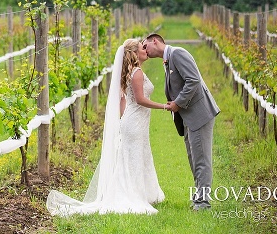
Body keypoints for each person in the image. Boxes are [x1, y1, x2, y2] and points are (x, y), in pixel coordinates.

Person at [46, 39, 166, 216]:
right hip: (135, 123)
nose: (146, 50)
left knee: (134, 158)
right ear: (134, 53)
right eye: (142, 48)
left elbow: (124, 100)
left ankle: (141, 192)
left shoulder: (132, 72)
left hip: (134, 122)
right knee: (132, 158)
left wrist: (123, 121)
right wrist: (164, 106)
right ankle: (132, 195)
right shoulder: (137, 73)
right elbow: (140, 100)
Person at [143, 33, 220, 211]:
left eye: (145, 46)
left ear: (155, 41)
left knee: (201, 159)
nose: (145, 51)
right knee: (194, 159)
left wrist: (178, 103)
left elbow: (193, 80)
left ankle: (203, 203)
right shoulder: (168, 59)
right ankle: (199, 198)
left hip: (199, 114)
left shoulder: (177, 54)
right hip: (188, 116)